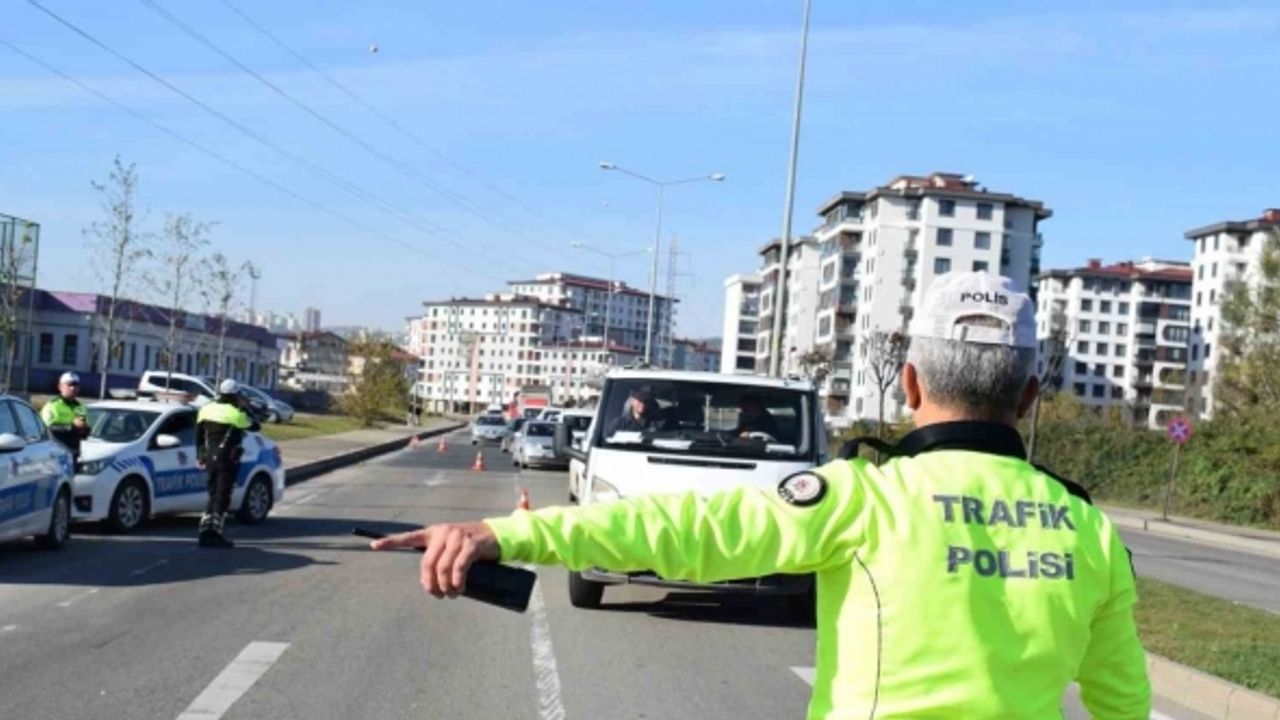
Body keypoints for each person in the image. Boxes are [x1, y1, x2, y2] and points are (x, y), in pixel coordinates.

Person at [372, 272, 1150, 720]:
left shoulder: (866, 501)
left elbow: (688, 527)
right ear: (1030, 395)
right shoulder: (1090, 531)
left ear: (908, 383)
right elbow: (1122, 703)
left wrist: (509, 536)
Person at [194, 379, 260, 549]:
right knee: (222, 495)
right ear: (235, 395)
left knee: (213, 492)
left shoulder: (206, 409)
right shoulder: (236, 414)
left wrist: (200, 456)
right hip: (228, 458)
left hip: (210, 457)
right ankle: (215, 533)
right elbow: (255, 425)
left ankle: (204, 531)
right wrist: (246, 407)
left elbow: (199, 436)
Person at [41, 372, 89, 460]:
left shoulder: (80, 407)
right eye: (69, 385)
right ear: (60, 387)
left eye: (76, 385)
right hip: (56, 452)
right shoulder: (52, 406)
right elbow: (48, 428)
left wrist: (85, 429)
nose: (73, 388)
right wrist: (72, 427)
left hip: (74, 452)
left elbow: (84, 432)